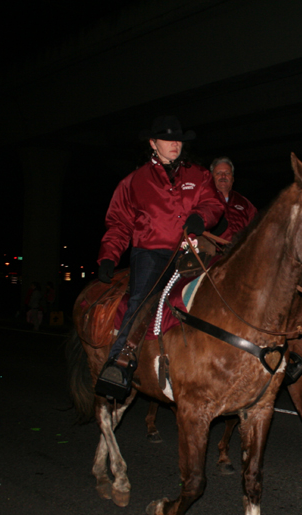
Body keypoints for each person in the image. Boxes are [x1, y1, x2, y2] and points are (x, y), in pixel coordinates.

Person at [95, 115, 225, 400]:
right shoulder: (133, 182)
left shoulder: (199, 175)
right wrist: (108, 257)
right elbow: (118, 223)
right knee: (141, 299)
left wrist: (200, 217)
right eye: (167, 140)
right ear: (153, 144)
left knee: (221, 290)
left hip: (190, 251)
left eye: (178, 139)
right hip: (151, 253)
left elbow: (213, 203)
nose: (174, 144)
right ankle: (119, 362)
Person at [209, 157, 258, 242]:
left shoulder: (244, 203)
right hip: (214, 252)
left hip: (240, 252)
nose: (223, 176)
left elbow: (257, 227)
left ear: (233, 178)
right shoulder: (204, 201)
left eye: (227, 173)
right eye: (218, 173)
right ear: (211, 178)